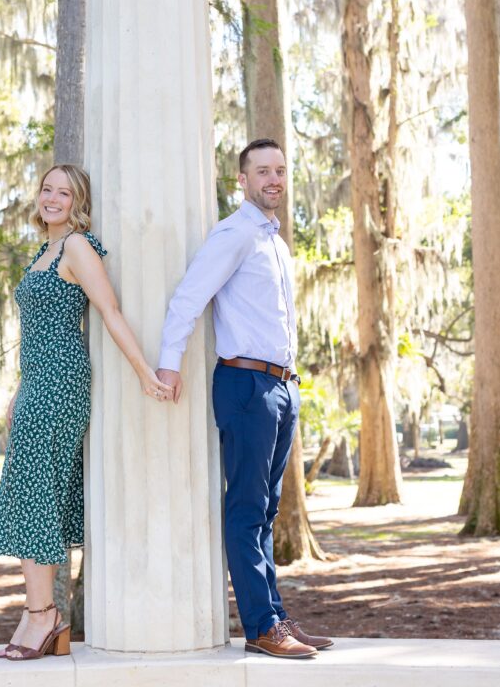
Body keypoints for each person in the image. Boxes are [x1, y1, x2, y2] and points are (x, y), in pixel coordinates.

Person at [0, 163, 172, 662]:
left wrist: (144, 372)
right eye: (47, 188)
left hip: (62, 383)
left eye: (63, 193)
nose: (52, 198)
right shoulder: (43, 251)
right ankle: (38, 614)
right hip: (37, 383)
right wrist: (19, 390)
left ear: (77, 202)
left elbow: (109, 311)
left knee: (36, 494)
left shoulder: (76, 247)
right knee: (36, 494)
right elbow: (34, 333)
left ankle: (42, 616)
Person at [156, 139, 333, 659]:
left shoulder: (275, 242)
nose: (273, 179)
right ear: (243, 180)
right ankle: (259, 625)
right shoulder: (234, 234)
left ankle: (275, 616)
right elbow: (189, 296)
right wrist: (169, 361)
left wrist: (290, 383)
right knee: (247, 507)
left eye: (279, 170)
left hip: (282, 386)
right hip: (245, 385)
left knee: (268, 509)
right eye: (262, 171)